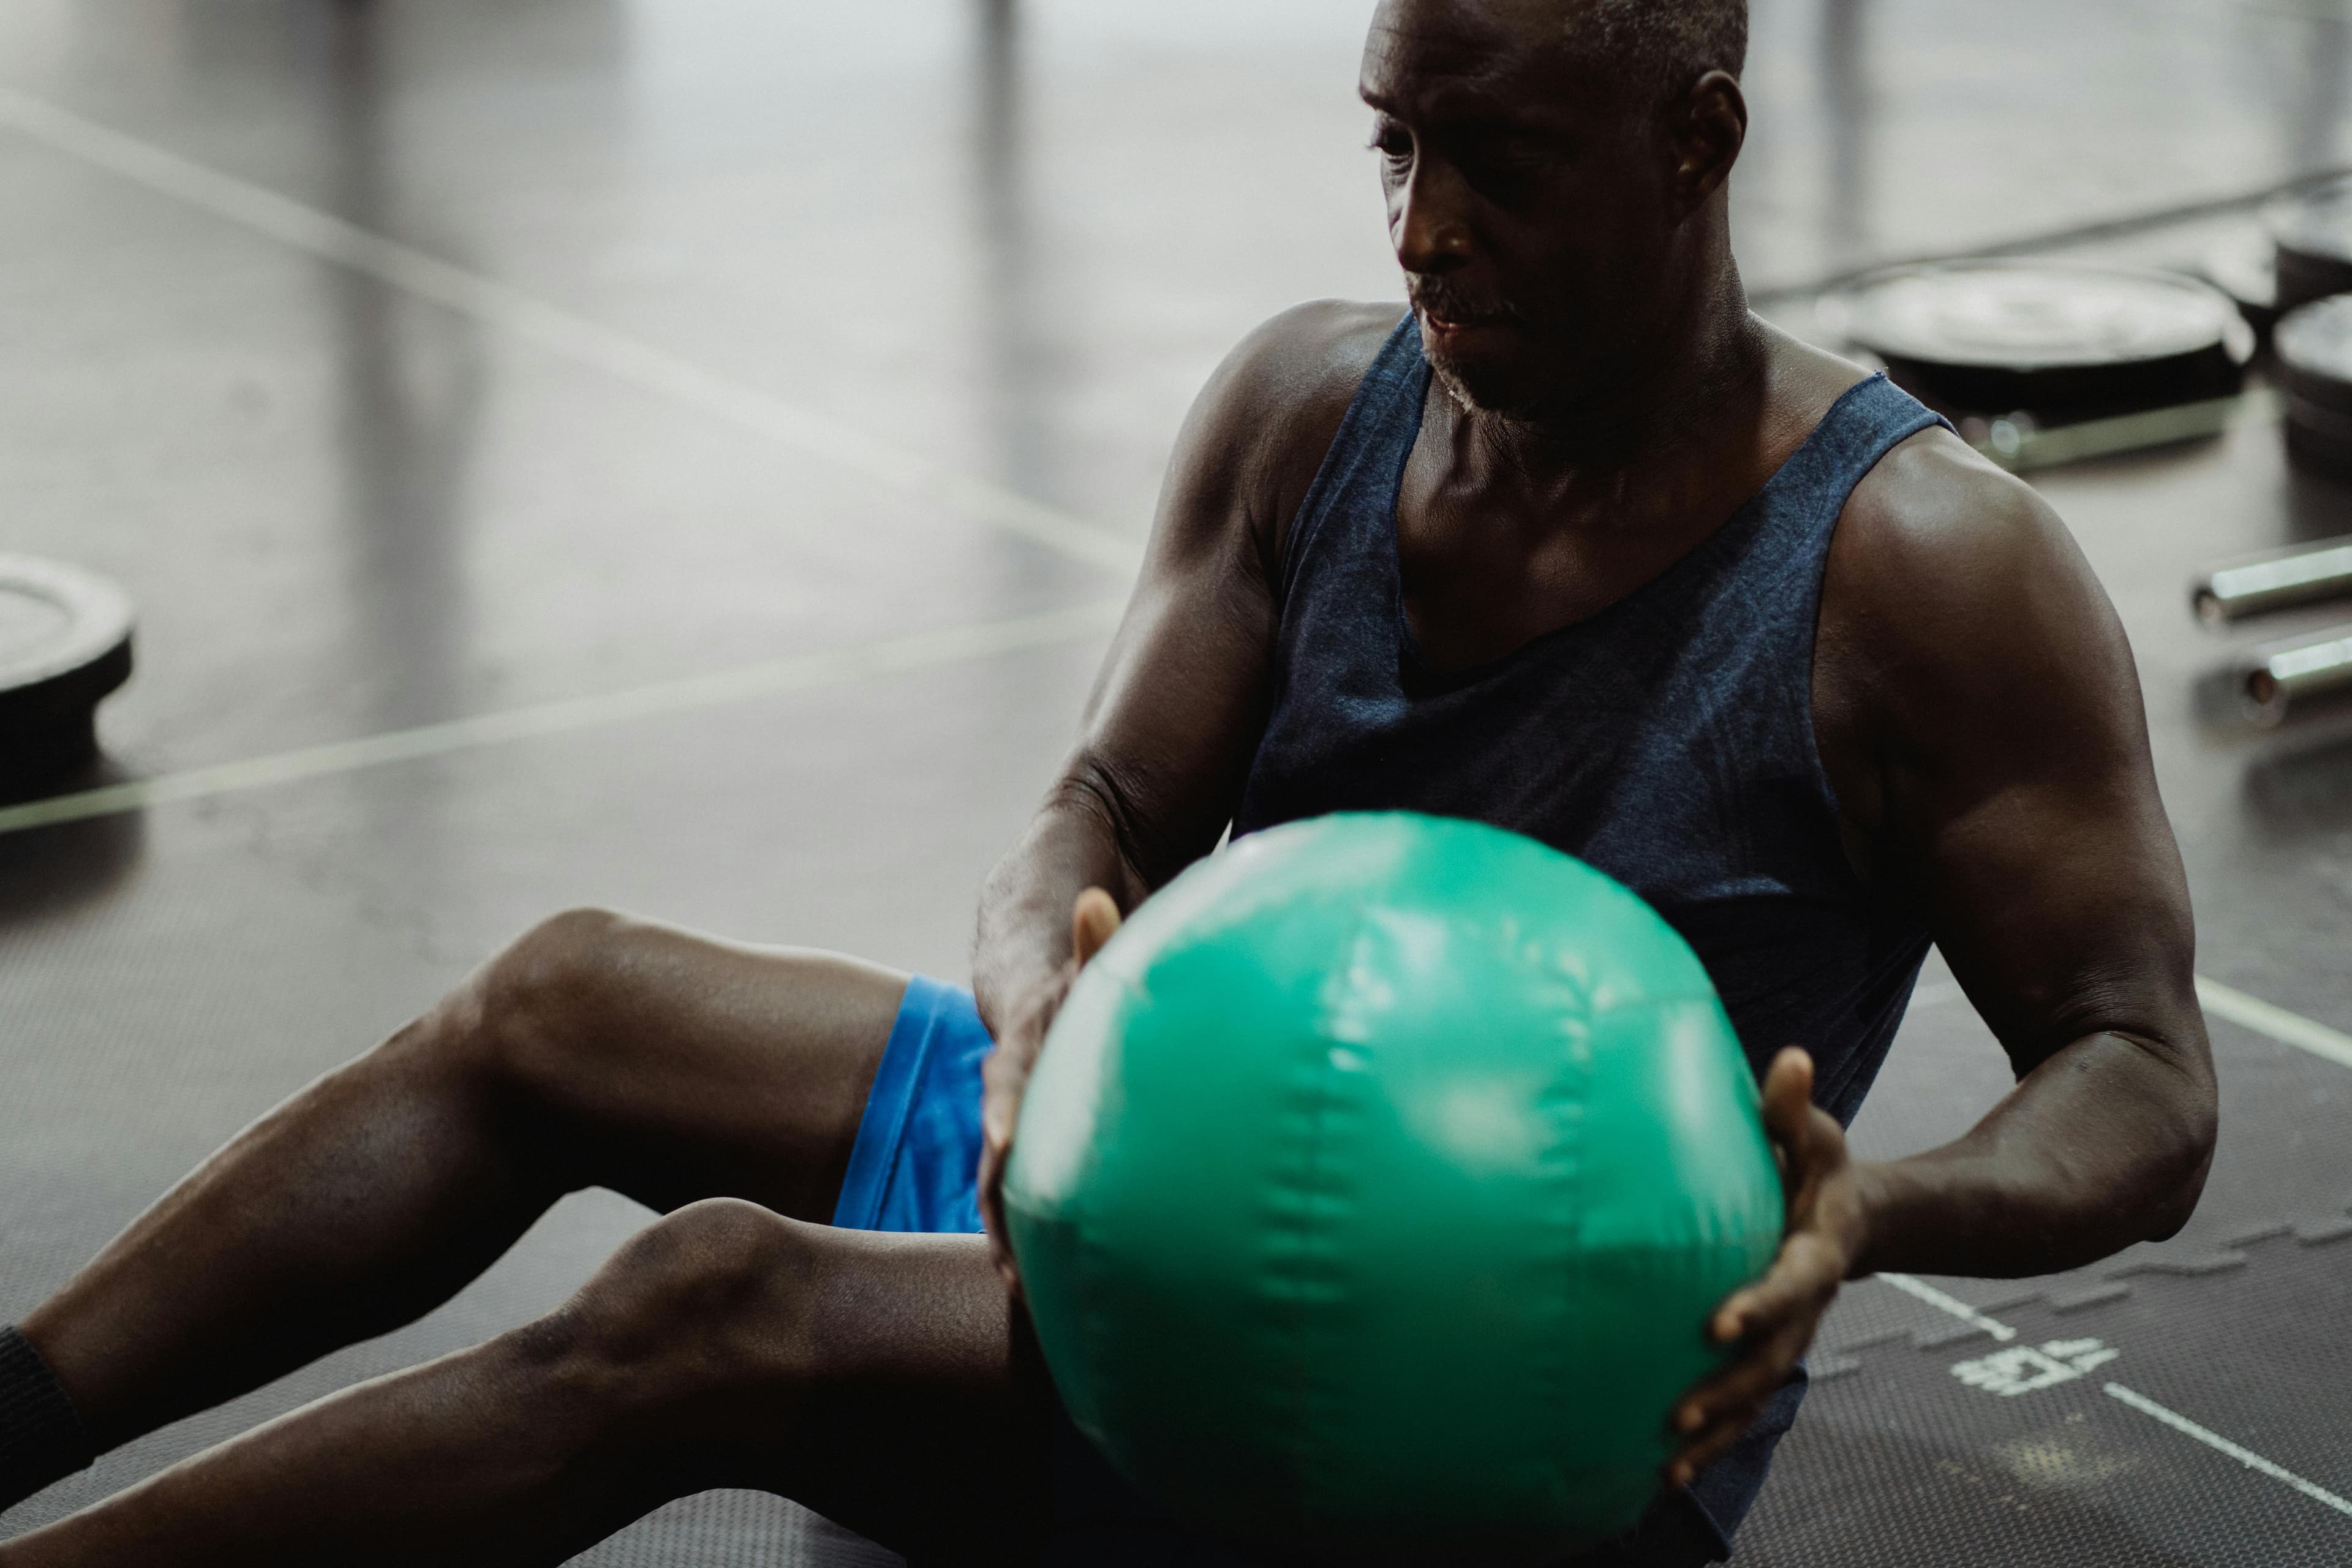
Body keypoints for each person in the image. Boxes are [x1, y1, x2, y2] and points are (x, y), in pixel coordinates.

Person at [0, 0, 2218, 1563]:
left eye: (1502, 162)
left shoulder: (1923, 566)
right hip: (1188, 1160)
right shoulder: (1315, 408)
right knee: (564, 998)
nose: (1423, 224)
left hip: (1493, 1378)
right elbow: (1097, 811)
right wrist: (1041, 1000)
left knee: (709, 1307)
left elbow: (2142, 1075)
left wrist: (1860, 1214)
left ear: (1698, 143)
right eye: (1393, 143)